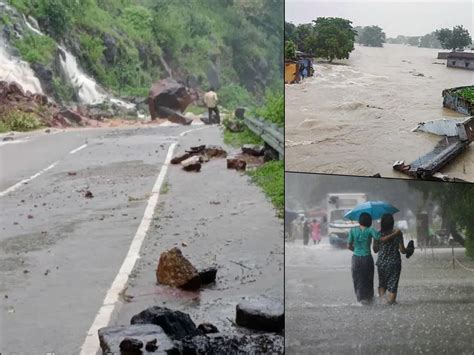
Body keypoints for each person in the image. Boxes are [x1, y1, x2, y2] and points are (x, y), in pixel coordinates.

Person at [347, 212, 400, 304]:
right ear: (369, 221)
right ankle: (369, 300)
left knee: (357, 279)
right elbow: (381, 239)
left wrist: (356, 251)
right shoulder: (370, 230)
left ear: (359, 221)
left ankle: (360, 300)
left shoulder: (352, 230)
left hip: (355, 259)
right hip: (367, 258)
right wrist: (395, 234)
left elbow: (348, 246)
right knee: (368, 279)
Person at [373, 213, 408, 305]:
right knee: (393, 285)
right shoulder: (397, 233)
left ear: (382, 223)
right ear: (392, 223)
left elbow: (375, 250)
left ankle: (383, 302)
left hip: (381, 263)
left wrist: (375, 241)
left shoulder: (377, 234)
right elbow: (402, 250)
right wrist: (408, 250)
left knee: (382, 283)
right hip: (394, 263)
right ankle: (390, 302)